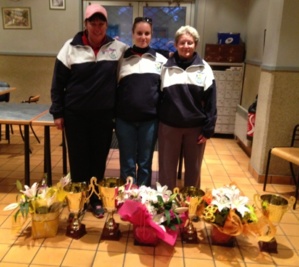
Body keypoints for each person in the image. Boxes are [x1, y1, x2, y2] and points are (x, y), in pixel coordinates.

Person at [49, 4, 127, 218]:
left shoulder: (117, 49)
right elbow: (58, 83)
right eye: (93, 22)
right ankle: (80, 199)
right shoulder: (70, 47)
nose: (97, 27)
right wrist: (58, 113)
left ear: (106, 25)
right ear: (86, 24)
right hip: (75, 116)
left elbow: (123, 80)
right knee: (78, 158)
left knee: (98, 159)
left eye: (101, 23)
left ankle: (95, 198)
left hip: (103, 116)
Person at [158, 25, 217, 190]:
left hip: (195, 128)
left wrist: (208, 129)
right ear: (176, 45)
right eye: (182, 43)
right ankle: (165, 203)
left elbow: (211, 101)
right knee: (166, 169)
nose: (186, 46)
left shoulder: (204, 69)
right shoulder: (166, 67)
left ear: (195, 45)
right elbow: (159, 97)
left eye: (190, 43)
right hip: (169, 126)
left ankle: (192, 203)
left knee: (193, 168)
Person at [115, 17, 167, 187]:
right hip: (125, 121)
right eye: (139, 33)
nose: (143, 37)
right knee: (127, 162)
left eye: (147, 33)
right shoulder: (122, 59)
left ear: (151, 35)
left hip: (149, 122)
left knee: (145, 163)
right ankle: (127, 197)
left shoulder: (160, 60)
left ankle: (143, 198)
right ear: (132, 34)